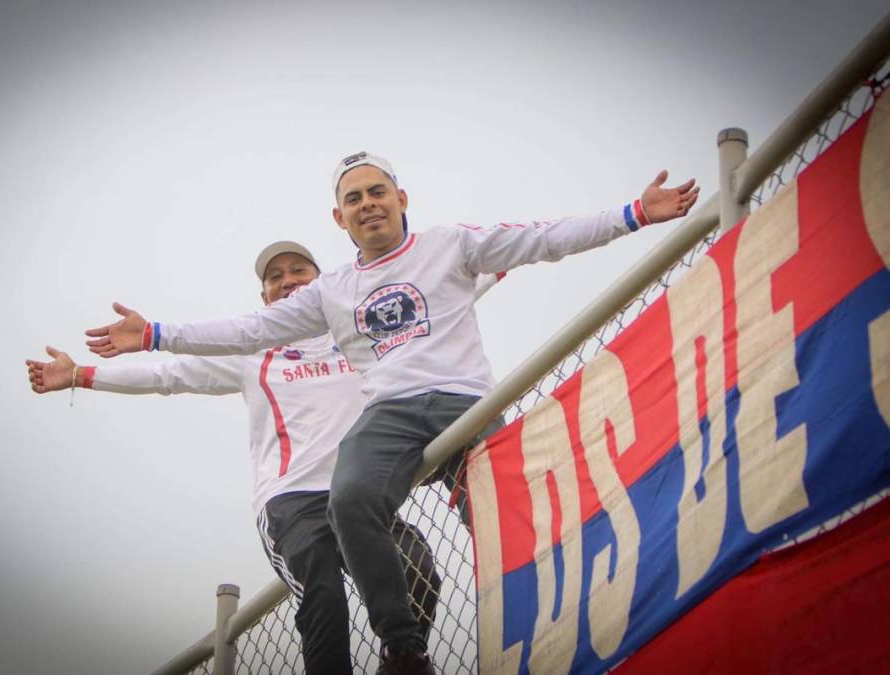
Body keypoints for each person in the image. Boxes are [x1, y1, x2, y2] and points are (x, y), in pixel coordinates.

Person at [81, 153, 699, 674]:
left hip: (463, 402)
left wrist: (635, 214)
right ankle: (402, 647)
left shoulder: (448, 245)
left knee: (508, 504)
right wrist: (158, 332)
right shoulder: (331, 294)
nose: (368, 203)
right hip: (391, 415)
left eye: (378, 192)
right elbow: (247, 329)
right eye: (354, 198)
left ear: (402, 198)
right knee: (349, 501)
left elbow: (541, 238)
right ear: (340, 217)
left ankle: (564, 619)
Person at [27, 242, 452, 675]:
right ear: (265, 299)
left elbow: (425, 318)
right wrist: (82, 375)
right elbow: (167, 376)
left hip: (357, 494)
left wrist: (491, 267)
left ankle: (399, 660)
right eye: (275, 277)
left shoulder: (356, 338)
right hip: (292, 504)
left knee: (415, 568)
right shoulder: (253, 356)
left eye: (299, 271)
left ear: (320, 283)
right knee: (322, 592)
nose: (288, 280)